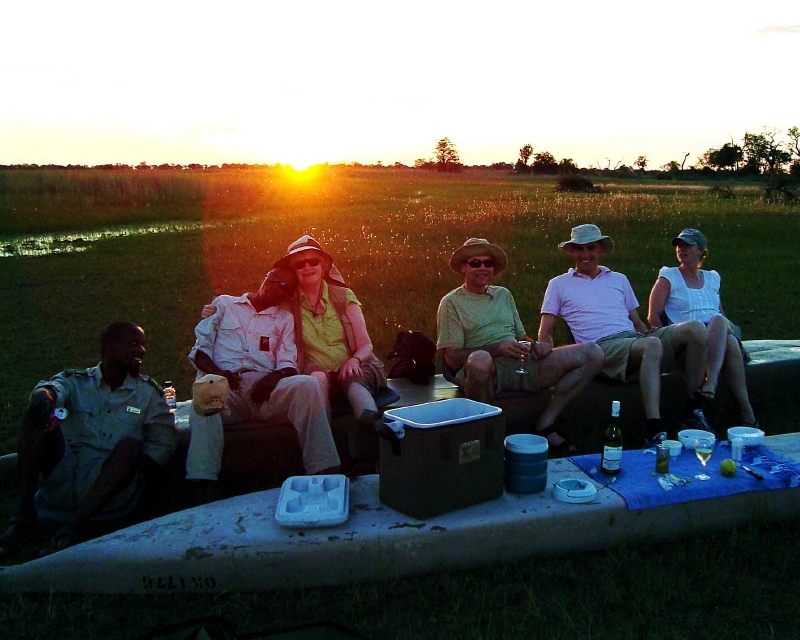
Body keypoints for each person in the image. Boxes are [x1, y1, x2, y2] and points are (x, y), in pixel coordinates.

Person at [0, 322, 177, 557]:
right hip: (64, 473)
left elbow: (164, 442)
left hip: (108, 486)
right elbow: (51, 388)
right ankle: (24, 518)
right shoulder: (77, 381)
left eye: (143, 345)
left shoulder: (148, 394)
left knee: (131, 446)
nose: (141, 351)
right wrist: (44, 398)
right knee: (33, 417)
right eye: (134, 344)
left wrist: (135, 471)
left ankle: (73, 529)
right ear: (110, 347)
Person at [539, 224, 711, 446]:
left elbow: (636, 321)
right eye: (579, 249)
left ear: (600, 249)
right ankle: (654, 426)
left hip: (633, 339)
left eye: (591, 248)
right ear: (571, 251)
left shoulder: (618, 279)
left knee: (695, 328)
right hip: (601, 347)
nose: (585, 254)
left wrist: (647, 331)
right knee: (651, 345)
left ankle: (692, 407)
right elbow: (546, 329)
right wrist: (547, 354)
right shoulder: (558, 284)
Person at [436, 238, 604, 456]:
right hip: (485, 371)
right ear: (463, 268)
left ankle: (545, 423)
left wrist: (536, 346)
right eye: (475, 263)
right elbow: (452, 358)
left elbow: (521, 336)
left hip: (520, 363)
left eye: (488, 263)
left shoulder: (503, 295)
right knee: (479, 360)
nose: (483, 267)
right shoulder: (451, 302)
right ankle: (485, 434)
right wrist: (497, 349)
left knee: (592, 353)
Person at [187, 268, 340, 498]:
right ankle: (202, 484)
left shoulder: (284, 319)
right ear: (265, 277)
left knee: (308, 385)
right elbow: (200, 351)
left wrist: (273, 377)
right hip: (224, 388)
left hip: (264, 390)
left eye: (283, 286)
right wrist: (220, 373)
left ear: (287, 295)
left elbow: (288, 362)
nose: (275, 286)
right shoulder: (224, 304)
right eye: (273, 278)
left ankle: (324, 471)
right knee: (204, 396)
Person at [647, 228, 757, 427]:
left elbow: (721, 313)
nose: (681, 249)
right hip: (687, 337)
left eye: (688, 245)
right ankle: (715, 387)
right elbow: (653, 315)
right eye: (679, 246)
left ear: (701, 251)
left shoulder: (712, 278)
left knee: (727, 335)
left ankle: (745, 411)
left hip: (716, 332)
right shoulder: (668, 276)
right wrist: (664, 340)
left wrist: (736, 338)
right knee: (723, 332)